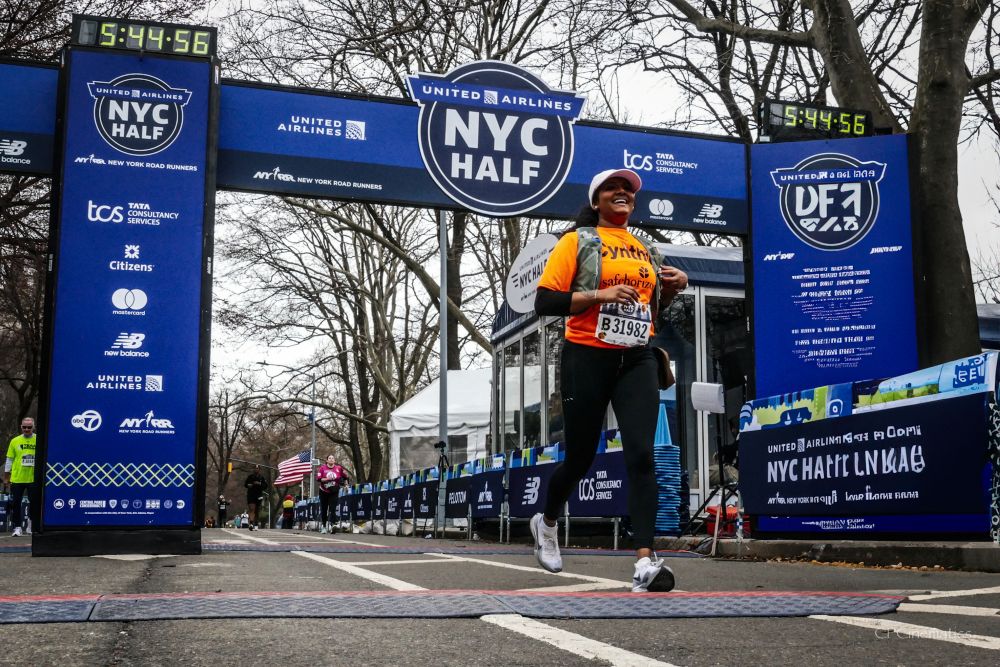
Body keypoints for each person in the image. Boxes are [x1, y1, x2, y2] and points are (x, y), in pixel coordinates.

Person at [532, 168, 688, 592]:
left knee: (642, 453)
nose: (623, 193)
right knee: (581, 457)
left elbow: (651, 312)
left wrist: (674, 287)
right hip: (586, 356)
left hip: (636, 357)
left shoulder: (645, 249)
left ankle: (646, 562)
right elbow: (545, 301)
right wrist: (599, 295)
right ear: (596, 201)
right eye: (612, 189)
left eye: (628, 190)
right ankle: (546, 522)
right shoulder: (577, 241)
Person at [4, 417, 38, 537]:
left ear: (33, 427)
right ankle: (17, 528)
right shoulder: (14, 441)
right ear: (21, 427)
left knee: (34, 503)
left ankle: (30, 525)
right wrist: (6, 477)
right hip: (17, 478)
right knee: (16, 503)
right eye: (24, 427)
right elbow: (9, 459)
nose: (27, 429)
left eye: (29, 427)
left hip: (33, 478)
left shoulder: (39, 439)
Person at [316, 454, 345, 534]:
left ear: (334, 460)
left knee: (332, 508)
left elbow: (345, 477)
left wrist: (346, 484)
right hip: (324, 491)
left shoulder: (339, 468)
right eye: (330, 458)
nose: (331, 459)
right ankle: (324, 526)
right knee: (324, 509)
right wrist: (327, 479)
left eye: (333, 458)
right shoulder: (322, 468)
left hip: (334, 491)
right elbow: (319, 479)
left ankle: (333, 525)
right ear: (327, 460)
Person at [244, 465, 268, 530]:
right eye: (255, 468)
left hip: (259, 495)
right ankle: (251, 524)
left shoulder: (262, 478)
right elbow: (245, 484)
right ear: (253, 469)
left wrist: (259, 484)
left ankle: (256, 524)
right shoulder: (250, 477)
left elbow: (265, 486)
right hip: (251, 495)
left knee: (257, 510)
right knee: (252, 509)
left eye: (257, 468)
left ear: (259, 470)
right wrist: (249, 485)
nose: (256, 469)